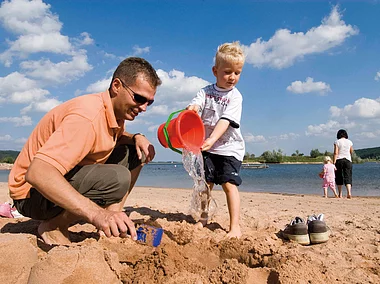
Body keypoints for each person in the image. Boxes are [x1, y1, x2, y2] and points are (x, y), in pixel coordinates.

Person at [8, 57, 161, 245]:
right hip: (30, 196)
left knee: (134, 153)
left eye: (149, 102)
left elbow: (115, 137)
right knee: (117, 178)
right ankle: (54, 226)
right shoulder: (87, 117)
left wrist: (137, 137)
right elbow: (38, 173)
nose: (144, 108)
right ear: (116, 86)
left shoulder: (113, 112)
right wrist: (97, 214)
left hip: (51, 184)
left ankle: (113, 221)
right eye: (139, 98)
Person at [187, 41, 245, 238]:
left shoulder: (235, 97)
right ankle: (203, 217)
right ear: (215, 70)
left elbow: (225, 120)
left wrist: (212, 139)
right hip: (207, 146)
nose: (232, 77)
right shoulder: (205, 91)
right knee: (206, 184)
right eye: (227, 72)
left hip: (229, 148)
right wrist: (193, 109)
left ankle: (234, 226)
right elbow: (196, 103)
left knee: (229, 184)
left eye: (237, 73)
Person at [333, 129, 354, 199]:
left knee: (339, 176)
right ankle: (349, 193)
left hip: (339, 159)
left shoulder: (337, 142)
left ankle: (340, 194)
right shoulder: (350, 142)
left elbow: (336, 152)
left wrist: (334, 162)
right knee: (348, 176)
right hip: (348, 160)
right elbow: (351, 151)